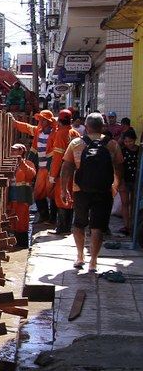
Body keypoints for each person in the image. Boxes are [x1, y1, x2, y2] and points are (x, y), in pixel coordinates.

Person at [60, 112, 124, 272]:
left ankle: (80, 256)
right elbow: (119, 167)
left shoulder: (76, 143)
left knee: (79, 224)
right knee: (97, 227)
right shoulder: (112, 144)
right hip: (104, 191)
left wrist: (63, 189)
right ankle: (93, 261)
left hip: (80, 190)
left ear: (86, 126)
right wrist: (115, 186)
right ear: (102, 126)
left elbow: (66, 167)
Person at [13, 110, 56, 224]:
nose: (41, 121)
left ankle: (52, 219)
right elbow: (27, 127)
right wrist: (14, 122)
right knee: (38, 193)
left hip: (50, 167)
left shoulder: (54, 133)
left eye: (43, 119)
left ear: (48, 121)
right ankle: (44, 216)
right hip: (42, 167)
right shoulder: (38, 130)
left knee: (52, 193)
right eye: (40, 119)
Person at [48, 109, 75, 234]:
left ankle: (62, 228)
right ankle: (67, 227)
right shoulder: (74, 132)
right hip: (74, 171)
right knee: (70, 198)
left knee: (62, 197)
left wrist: (53, 174)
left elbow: (57, 157)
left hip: (63, 171)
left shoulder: (61, 134)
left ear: (59, 120)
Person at [7, 144, 36, 248]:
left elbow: (31, 175)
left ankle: (22, 244)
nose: (14, 152)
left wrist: (22, 163)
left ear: (22, 152)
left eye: (17, 150)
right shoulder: (8, 164)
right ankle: (14, 242)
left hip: (22, 196)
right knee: (12, 219)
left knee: (22, 220)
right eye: (13, 150)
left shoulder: (28, 163)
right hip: (11, 196)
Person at [119, 129, 140, 235]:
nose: (128, 144)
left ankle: (133, 225)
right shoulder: (122, 151)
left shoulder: (140, 151)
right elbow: (119, 167)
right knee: (125, 203)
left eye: (130, 141)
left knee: (134, 204)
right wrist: (120, 180)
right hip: (124, 181)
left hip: (137, 182)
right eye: (126, 142)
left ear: (135, 140)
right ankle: (126, 226)